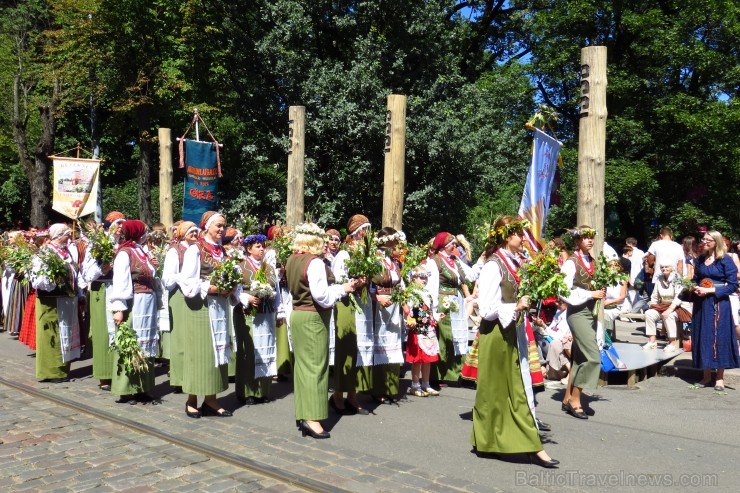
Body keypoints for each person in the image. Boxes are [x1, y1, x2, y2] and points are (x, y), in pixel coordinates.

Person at [470, 216, 558, 468]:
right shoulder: (492, 265)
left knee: (516, 389)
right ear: (507, 236)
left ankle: (524, 443)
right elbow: (486, 309)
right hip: (496, 335)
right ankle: (499, 442)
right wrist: (516, 305)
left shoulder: (515, 262)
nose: (524, 239)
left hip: (513, 331)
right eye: (520, 234)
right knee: (496, 393)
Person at [285, 223, 357, 439]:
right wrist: (342, 289)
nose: (326, 243)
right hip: (313, 316)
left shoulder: (292, 259)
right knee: (316, 368)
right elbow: (322, 296)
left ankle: (303, 412)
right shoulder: (314, 262)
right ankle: (312, 418)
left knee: (303, 367)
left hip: (299, 313)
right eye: (322, 239)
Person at [177, 211, 235, 418]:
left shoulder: (223, 252)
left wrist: (233, 289)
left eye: (224, 226)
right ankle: (192, 399)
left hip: (219, 306)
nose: (221, 229)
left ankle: (211, 399)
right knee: (199, 353)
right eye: (218, 225)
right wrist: (209, 287)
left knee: (216, 353)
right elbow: (187, 281)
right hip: (201, 307)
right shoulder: (196, 249)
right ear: (207, 227)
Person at [108, 220, 159, 404]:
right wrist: (119, 309)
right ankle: (126, 388)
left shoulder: (142, 250)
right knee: (131, 344)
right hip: (134, 304)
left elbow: (150, 273)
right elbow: (121, 281)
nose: (147, 234)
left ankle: (142, 387)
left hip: (148, 303)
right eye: (144, 231)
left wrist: (154, 264)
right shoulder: (125, 253)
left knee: (146, 344)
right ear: (136, 232)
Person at [560, 225, 605, 420]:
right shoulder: (571, 263)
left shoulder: (592, 261)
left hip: (590, 313)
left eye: (591, 237)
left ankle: (566, 397)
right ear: (577, 241)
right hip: (577, 313)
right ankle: (575, 400)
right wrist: (590, 293)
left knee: (579, 357)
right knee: (592, 357)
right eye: (585, 238)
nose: (589, 240)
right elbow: (563, 290)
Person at [330, 215, 372, 415]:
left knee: (360, 350)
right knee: (346, 348)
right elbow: (338, 280)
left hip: (362, 302)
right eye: (366, 229)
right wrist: (356, 282)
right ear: (358, 232)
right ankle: (338, 394)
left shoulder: (366, 253)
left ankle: (353, 396)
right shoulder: (344, 254)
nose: (368, 233)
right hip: (346, 303)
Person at [31, 224, 82, 382]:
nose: (69, 237)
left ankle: (62, 369)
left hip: (66, 300)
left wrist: (79, 293)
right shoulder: (46, 253)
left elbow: (75, 273)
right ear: (59, 236)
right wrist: (55, 282)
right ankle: (51, 372)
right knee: (52, 334)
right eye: (67, 234)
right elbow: (37, 280)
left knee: (64, 334)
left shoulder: (66, 252)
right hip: (51, 301)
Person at [81, 212, 125, 391]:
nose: (121, 227)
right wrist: (103, 268)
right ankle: (105, 373)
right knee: (103, 333)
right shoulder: (98, 243)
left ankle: (120, 371)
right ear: (109, 225)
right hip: (102, 290)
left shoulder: (125, 243)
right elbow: (86, 273)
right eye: (118, 223)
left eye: (123, 224)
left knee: (120, 331)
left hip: (121, 290)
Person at [426, 231, 477, 384]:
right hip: (443, 300)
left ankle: (457, 372)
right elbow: (432, 285)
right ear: (443, 246)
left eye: (455, 243)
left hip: (457, 300)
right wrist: (433, 308)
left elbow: (472, 276)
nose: (455, 246)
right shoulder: (434, 261)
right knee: (445, 336)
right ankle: (440, 374)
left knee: (456, 336)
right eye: (451, 244)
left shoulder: (455, 260)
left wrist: (482, 259)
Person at [691, 231, 739, 391]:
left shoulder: (725, 260)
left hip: (719, 303)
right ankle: (706, 376)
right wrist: (694, 288)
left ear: (716, 242)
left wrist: (711, 290)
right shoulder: (701, 259)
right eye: (703, 239)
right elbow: (695, 279)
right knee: (704, 336)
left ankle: (719, 378)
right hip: (702, 304)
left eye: (707, 240)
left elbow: (733, 285)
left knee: (720, 338)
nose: (704, 242)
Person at [234, 233, 279, 405]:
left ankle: (262, 390)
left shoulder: (269, 267)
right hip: (247, 313)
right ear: (248, 249)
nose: (262, 249)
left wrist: (278, 309)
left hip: (266, 313)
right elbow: (235, 289)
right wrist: (246, 297)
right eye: (258, 246)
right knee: (249, 352)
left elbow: (277, 290)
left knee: (266, 348)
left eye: (263, 246)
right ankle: (247, 391)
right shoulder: (240, 266)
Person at [161, 221, 199, 393]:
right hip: (178, 295)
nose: (195, 235)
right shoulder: (175, 251)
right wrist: (184, 277)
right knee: (180, 337)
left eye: (196, 232)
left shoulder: (198, 249)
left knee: (192, 337)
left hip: (194, 295)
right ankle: (178, 378)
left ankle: (191, 375)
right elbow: (168, 279)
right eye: (191, 233)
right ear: (183, 234)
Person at [369, 227, 406, 403]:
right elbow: (367, 283)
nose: (397, 244)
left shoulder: (394, 262)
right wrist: (377, 297)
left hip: (394, 305)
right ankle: (378, 388)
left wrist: (405, 304)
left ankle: (391, 387)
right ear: (386, 240)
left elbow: (400, 284)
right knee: (380, 343)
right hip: (379, 306)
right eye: (394, 241)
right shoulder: (374, 259)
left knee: (393, 343)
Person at [403, 265, 439, 396]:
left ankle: (426, 383)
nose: (424, 280)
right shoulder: (410, 293)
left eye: (426, 277)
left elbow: (431, 310)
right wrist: (408, 319)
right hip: (417, 329)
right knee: (417, 359)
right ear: (413, 278)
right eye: (421, 277)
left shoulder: (427, 293)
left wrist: (436, 317)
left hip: (428, 329)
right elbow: (406, 308)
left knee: (428, 358)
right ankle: (415, 385)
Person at [642, 264, 691, 353]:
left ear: (672, 268)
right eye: (662, 267)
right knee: (649, 313)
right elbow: (654, 296)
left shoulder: (677, 278)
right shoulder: (659, 278)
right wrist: (653, 305)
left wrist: (669, 310)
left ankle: (672, 343)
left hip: (677, 306)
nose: (664, 269)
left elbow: (678, 297)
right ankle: (652, 341)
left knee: (668, 315)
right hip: (662, 305)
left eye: (666, 267)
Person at [601, 258, 628, 344]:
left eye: (615, 266)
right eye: (610, 266)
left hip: (620, 304)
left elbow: (622, 297)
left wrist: (609, 302)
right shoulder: (605, 280)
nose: (612, 268)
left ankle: (607, 338)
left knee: (606, 314)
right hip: (607, 304)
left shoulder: (622, 280)